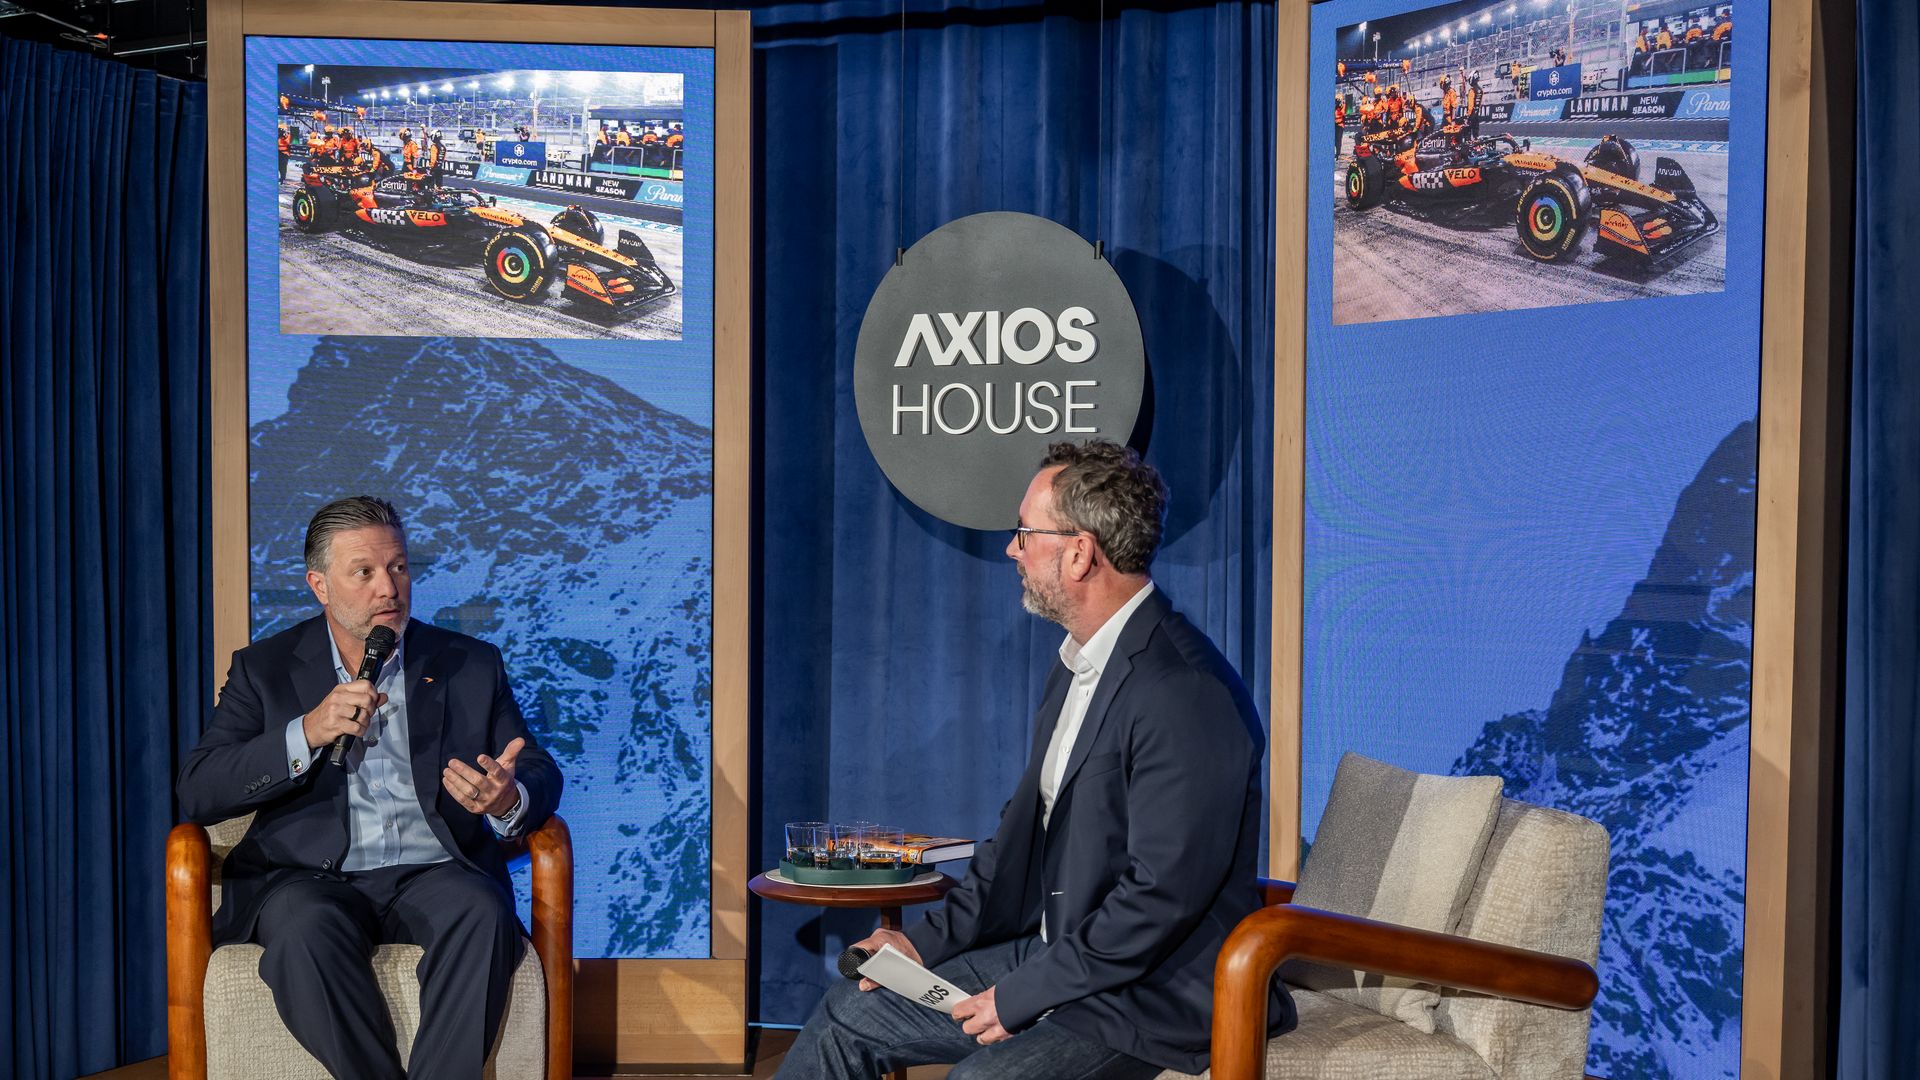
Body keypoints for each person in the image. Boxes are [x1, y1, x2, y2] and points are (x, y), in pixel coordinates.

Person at [775, 442, 1292, 1080]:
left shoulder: (1185, 690)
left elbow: (1160, 899)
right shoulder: (1078, 664)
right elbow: (1019, 842)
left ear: (1079, 552)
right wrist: (918, 943)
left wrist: (1021, 996)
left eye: (1025, 533)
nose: (1011, 550)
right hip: (1061, 959)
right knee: (847, 1014)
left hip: (1147, 996)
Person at [176, 496, 561, 1080]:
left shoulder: (469, 663)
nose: (389, 588)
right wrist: (307, 731)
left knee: (482, 912)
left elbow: (534, 766)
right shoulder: (265, 669)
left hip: (435, 871)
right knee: (303, 930)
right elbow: (200, 789)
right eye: (364, 572)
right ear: (320, 585)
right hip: (308, 878)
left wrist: (508, 798)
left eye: (399, 567)